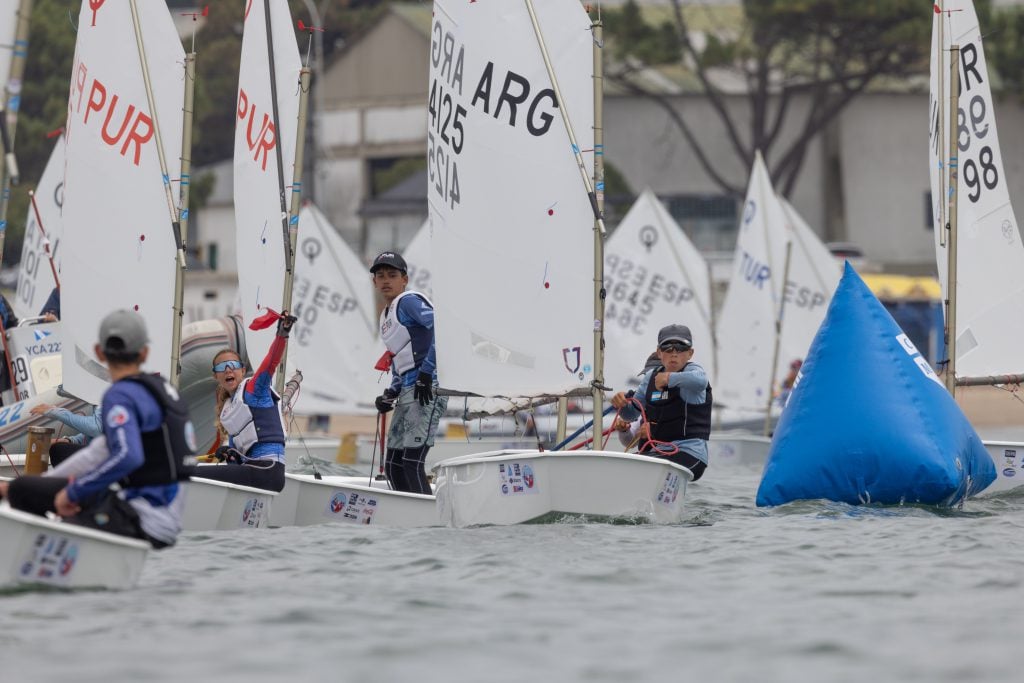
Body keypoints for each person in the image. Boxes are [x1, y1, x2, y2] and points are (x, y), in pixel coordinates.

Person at [0, 309, 196, 548]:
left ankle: (42, 559)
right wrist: (48, 484)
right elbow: (96, 453)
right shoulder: (161, 390)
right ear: (144, 353)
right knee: (25, 488)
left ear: (99, 352)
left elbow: (128, 455)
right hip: (167, 525)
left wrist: (73, 492)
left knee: (22, 491)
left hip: (140, 521)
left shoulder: (121, 395)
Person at [371, 250, 447, 495]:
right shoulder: (386, 316)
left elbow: (442, 328)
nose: (385, 281)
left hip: (428, 388)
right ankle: (407, 519)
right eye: (380, 276)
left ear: (404, 279)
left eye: (392, 275)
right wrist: (389, 394)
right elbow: (399, 360)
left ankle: (427, 521)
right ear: (374, 282)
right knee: (393, 465)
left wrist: (427, 372)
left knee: (412, 462)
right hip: (407, 390)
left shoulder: (409, 301)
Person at [196, 310, 296, 492]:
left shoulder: (254, 389)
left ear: (242, 371)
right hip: (252, 472)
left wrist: (282, 334)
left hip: (267, 471)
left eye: (233, 366)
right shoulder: (227, 410)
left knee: (189, 473)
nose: (228, 370)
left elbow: (271, 363)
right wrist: (230, 453)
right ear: (215, 375)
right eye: (221, 367)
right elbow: (240, 458)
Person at [610, 324, 712, 481]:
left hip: (690, 454)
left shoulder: (693, 371)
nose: (674, 354)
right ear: (659, 352)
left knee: (645, 469)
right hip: (660, 452)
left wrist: (669, 378)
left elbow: (701, 381)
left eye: (680, 347)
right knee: (620, 469)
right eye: (667, 348)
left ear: (690, 353)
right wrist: (621, 404)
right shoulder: (650, 377)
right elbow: (631, 414)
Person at [28, 401, 103, 466]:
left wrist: (55, 412)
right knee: (58, 447)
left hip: (108, 457)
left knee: (58, 450)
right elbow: (102, 432)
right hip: (104, 453)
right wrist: (69, 440)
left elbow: (96, 428)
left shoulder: (109, 395)